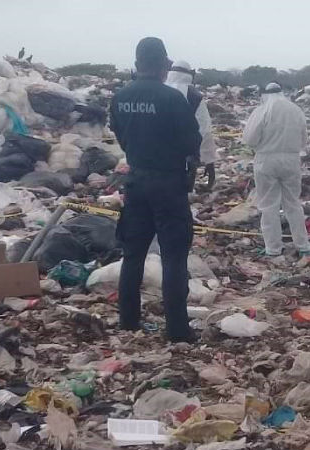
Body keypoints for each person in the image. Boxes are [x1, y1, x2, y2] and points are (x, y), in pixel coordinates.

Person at [109, 37, 201, 343]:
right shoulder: (173, 99)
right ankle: (177, 330)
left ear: (137, 66)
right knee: (173, 258)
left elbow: (121, 137)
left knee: (132, 254)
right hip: (169, 185)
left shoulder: (120, 97)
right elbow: (191, 142)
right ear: (164, 66)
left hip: (135, 183)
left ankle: (128, 322)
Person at [243, 82, 310, 257]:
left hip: (266, 159)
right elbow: (304, 139)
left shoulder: (262, 110)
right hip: (291, 159)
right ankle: (303, 246)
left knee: (268, 206)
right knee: (293, 204)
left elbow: (250, 139)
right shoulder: (296, 110)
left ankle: (273, 249)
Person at [166, 60, 218, 188]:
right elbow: (204, 130)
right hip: (186, 157)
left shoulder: (157, 91)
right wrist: (209, 161)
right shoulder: (194, 96)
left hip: (154, 158)